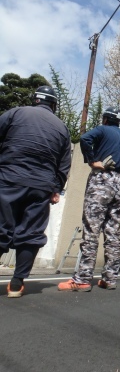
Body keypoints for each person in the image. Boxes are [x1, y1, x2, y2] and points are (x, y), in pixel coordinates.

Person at [58, 106, 120, 292]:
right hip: (118, 183)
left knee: (91, 228)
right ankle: (110, 279)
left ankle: (82, 279)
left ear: (106, 119)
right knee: (113, 232)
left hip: (101, 179)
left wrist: (91, 160)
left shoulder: (102, 129)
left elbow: (84, 138)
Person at [0, 85, 72, 298]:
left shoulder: (16, 113)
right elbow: (64, 164)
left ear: (36, 100)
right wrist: (56, 188)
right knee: (31, 233)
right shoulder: (62, 128)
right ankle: (16, 284)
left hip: (9, 178)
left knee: (1, 227)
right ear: (53, 104)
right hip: (41, 186)